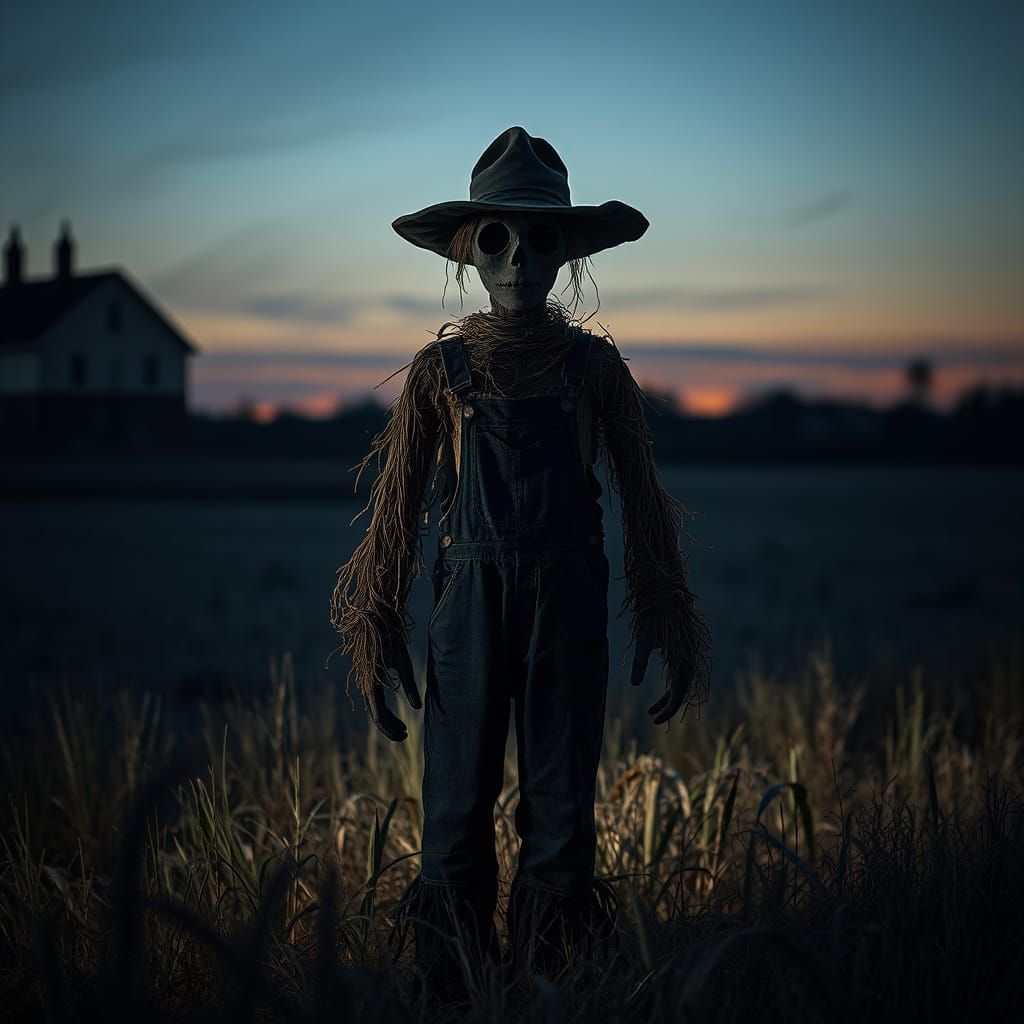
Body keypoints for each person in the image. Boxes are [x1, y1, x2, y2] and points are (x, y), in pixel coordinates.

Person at [328, 126, 711, 992]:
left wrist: (665, 606)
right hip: (470, 606)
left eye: (541, 238)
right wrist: (376, 620)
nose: (517, 261)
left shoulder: (594, 369)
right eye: (496, 238)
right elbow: (393, 518)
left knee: (563, 805)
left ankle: (554, 978)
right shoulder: (440, 373)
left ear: (567, 250)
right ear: (468, 251)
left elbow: (645, 503)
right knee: (454, 808)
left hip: (566, 605)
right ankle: (451, 986)